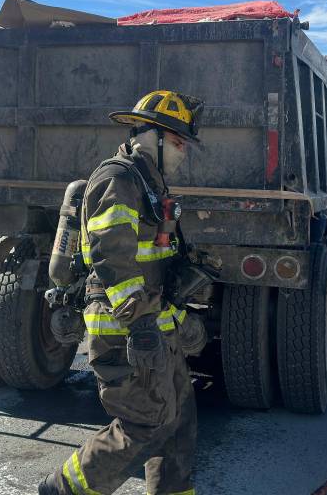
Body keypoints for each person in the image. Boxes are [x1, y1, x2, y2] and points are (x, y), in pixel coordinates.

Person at [40, 90, 204, 495]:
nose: (184, 153)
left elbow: (154, 267)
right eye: (180, 142)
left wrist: (177, 317)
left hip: (151, 321)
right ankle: (61, 489)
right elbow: (113, 257)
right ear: (154, 136)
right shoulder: (118, 180)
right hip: (124, 326)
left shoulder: (151, 184)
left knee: (178, 418)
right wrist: (141, 323)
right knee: (145, 422)